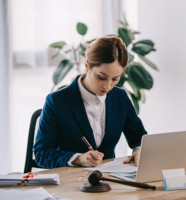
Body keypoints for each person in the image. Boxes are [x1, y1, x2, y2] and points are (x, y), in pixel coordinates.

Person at [33, 36, 147, 169]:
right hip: (70, 182)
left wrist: (139, 149)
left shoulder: (120, 97)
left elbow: (139, 137)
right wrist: (77, 158)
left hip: (110, 180)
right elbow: (42, 153)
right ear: (87, 66)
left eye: (115, 79)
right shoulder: (57, 101)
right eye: (101, 77)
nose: (107, 86)